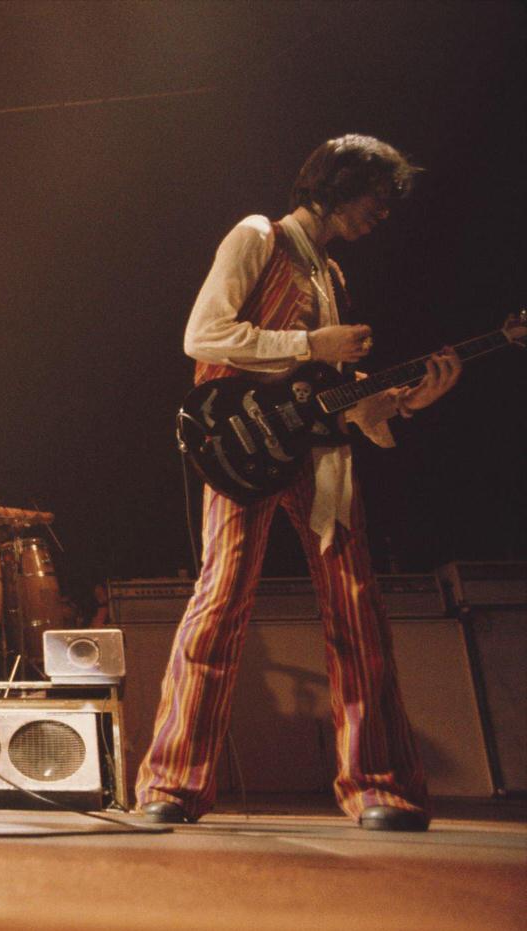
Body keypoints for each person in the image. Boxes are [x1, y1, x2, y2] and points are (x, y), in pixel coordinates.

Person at [135, 135, 461, 832]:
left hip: (320, 453)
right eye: (379, 196)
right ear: (340, 184)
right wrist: (312, 345)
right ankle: (172, 781)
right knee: (220, 598)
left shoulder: (331, 277)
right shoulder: (259, 235)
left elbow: (330, 392)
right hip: (244, 443)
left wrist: (397, 403)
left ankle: (378, 784)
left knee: (356, 606)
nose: (385, 213)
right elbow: (204, 333)